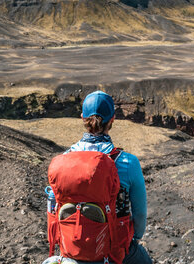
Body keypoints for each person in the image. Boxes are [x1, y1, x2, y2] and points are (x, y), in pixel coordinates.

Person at [65, 90, 152, 264]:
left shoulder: (64, 159)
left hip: (73, 248)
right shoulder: (128, 162)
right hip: (114, 250)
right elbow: (140, 214)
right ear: (112, 119)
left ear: (83, 117)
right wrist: (134, 238)